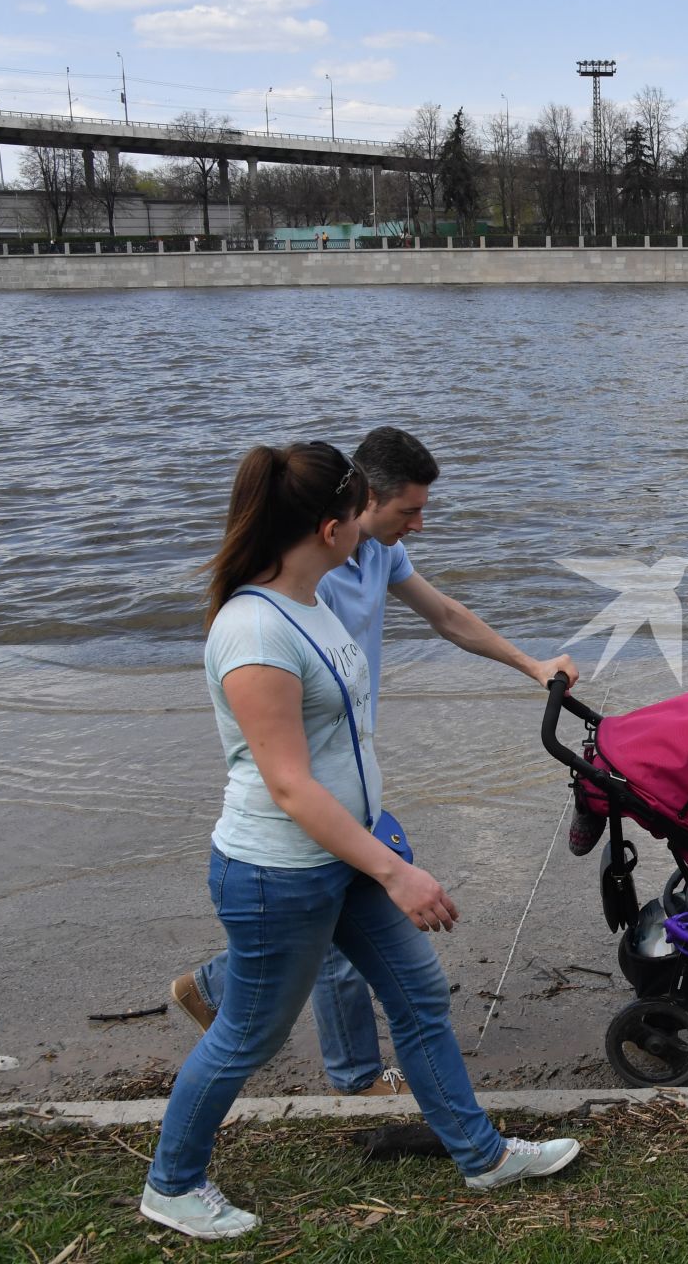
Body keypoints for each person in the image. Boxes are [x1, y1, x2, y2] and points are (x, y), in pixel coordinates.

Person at [140, 442, 578, 1241]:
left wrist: (376, 852)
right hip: (281, 871)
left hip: (345, 857)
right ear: (333, 524)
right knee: (248, 1036)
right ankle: (171, 1184)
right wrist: (396, 872)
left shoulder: (309, 605)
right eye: (369, 510)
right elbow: (289, 785)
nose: (394, 529)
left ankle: (482, 1156)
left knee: (418, 997)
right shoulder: (255, 631)